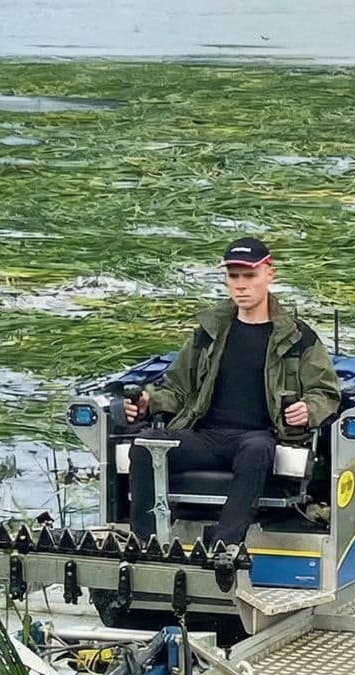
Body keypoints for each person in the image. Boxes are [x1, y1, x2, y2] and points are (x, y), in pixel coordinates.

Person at [125, 237, 341, 560]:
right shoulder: (209, 331)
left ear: (269, 274)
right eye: (234, 276)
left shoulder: (298, 336)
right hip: (205, 436)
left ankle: (223, 549)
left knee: (256, 450)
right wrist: (149, 402)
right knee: (144, 445)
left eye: (249, 276)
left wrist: (308, 410)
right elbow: (178, 388)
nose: (241, 285)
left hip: (259, 438)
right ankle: (146, 545)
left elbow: (326, 392)